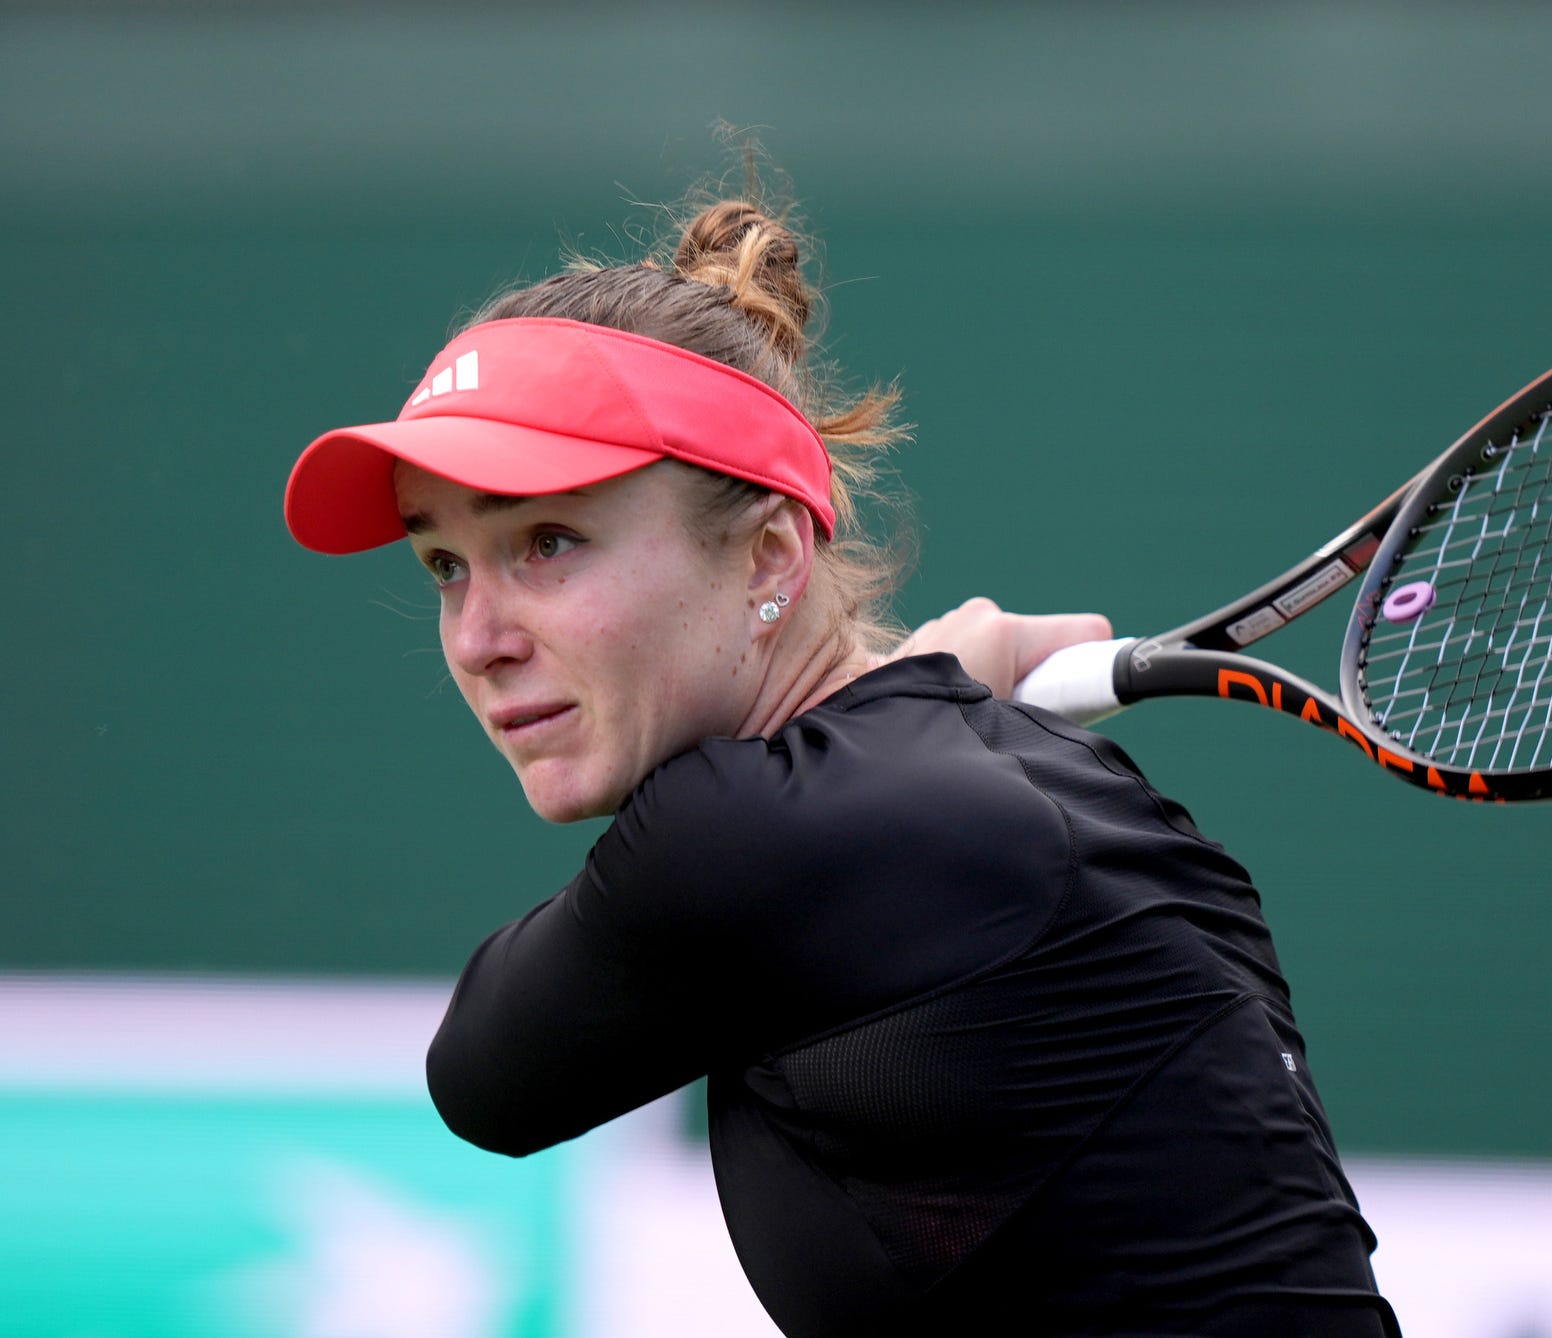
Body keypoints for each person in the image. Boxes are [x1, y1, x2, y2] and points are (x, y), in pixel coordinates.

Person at [284, 182, 1398, 1337]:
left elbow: (482, 1076)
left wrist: (923, 691)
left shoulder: (755, 834)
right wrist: (922, 700)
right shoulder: (1005, 783)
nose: (479, 639)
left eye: (546, 542)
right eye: (445, 568)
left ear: (770, 556)